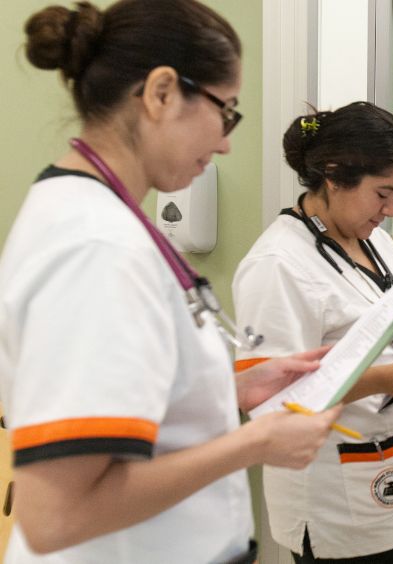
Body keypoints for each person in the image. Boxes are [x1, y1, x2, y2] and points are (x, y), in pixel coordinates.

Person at [0, 1, 340, 562]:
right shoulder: (95, 246)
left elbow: (127, 408)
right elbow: (54, 515)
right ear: (161, 92)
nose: (227, 140)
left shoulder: (105, 216)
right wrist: (253, 443)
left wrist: (229, 394)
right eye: (225, 111)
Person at [233, 103, 393, 564]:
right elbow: (269, 402)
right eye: (382, 193)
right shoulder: (278, 265)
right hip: (336, 498)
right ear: (334, 177)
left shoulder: (376, 242)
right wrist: (386, 381)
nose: (391, 211)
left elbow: (386, 340)